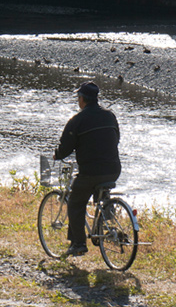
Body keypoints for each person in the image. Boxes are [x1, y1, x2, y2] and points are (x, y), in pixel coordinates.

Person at [53, 80, 120, 257]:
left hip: (91, 172)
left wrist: (57, 155)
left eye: (78, 97)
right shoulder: (110, 116)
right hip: (114, 169)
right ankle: (103, 219)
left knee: (76, 202)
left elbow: (65, 148)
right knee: (100, 193)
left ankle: (79, 243)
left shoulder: (77, 120)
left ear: (82, 99)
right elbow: (116, 138)